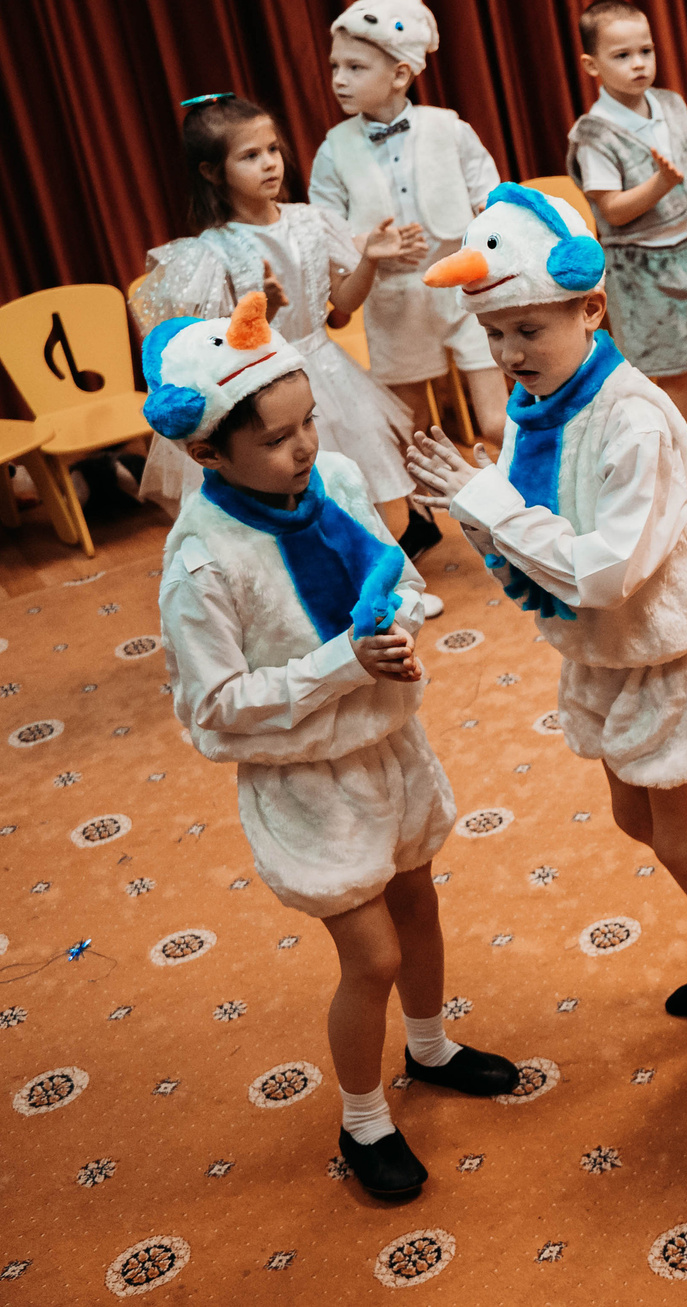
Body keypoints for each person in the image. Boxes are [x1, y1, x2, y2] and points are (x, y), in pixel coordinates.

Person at [403, 186, 687, 1072]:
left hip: (665, 652)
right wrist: (476, 501)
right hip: (609, 653)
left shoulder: (632, 417)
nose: (510, 354)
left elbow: (607, 573)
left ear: (590, 308)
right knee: (638, 818)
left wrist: (484, 500)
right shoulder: (536, 403)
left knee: (686, 839)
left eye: (530, 331)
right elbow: (522, 526)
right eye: (495, 334)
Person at [149, 294, 518, 1198]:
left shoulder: (339, 483)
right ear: (204, 453)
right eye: (278, 439)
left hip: (388, 743)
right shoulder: (203, 561)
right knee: (374, 956)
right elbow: (215, 711)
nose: (307, 446)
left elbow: (393, 576)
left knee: (420, 908)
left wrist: (400, 625)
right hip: (308, 780)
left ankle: (429, 1047)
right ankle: (362, 1118)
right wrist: (342, 664)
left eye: (309, 419)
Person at [135, 94, 425, 560]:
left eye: (272, 149)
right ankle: (338, 602)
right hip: (269, 391)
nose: (270, 163)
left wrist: (368, 259)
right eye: (250, 156)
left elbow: (344, 301)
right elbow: (221, 350)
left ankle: (382, 583)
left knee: (386, 499)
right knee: (305, 504)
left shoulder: (312, 222)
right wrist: (262, 316)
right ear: (212, 172)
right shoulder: (209, 254)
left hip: (329, 371)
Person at [306, 0, 509, 456]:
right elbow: (324, 229)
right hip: (393, 301)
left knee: (496, 420)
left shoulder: (449, 128)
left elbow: (492, 199)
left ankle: (526, 496)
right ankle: (419, 514)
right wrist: (368, 245)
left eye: (355, 68)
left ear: (400, 74)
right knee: (409, 425)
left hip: (465, 288)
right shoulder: (334, 149)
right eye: (336, 66)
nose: (339, 79)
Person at [566, 0, 687, 447]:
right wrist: (660, 183)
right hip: (641, 267)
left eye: (646, 51)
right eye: (622, 56)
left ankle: (667, 429)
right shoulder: (595, 133)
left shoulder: (671, 103)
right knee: (672, 372)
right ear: (591, 65)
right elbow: (613, 210)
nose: (639, 64)